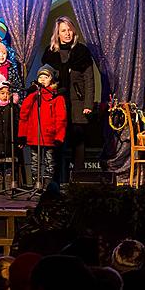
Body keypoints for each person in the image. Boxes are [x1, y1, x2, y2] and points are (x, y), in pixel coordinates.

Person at [42, 16, 96, 178]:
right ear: (57, 34)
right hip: (57, 103)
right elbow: (44, 80)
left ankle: (79, 176)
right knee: (58, 140)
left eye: (69, 30)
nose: (67, 33)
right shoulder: (50, 53)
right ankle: (58, 177)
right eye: (63, 31)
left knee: (78, 139)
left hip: (78, 103)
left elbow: (89, 80)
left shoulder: (82, 52)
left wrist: (88, 104)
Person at [19, 64, 67, 187]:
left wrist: (59, 136)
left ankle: (47, 185)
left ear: (51, 79)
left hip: (49, 135)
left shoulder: (57, 97)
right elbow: (24, 113)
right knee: (35, 162)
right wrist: (32, 93)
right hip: (34, 135)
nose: (43, 80)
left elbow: (61, 119)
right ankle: (37, 184)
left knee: (49, 162)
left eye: (46, 77)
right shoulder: (34, 95)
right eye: (41, 77)